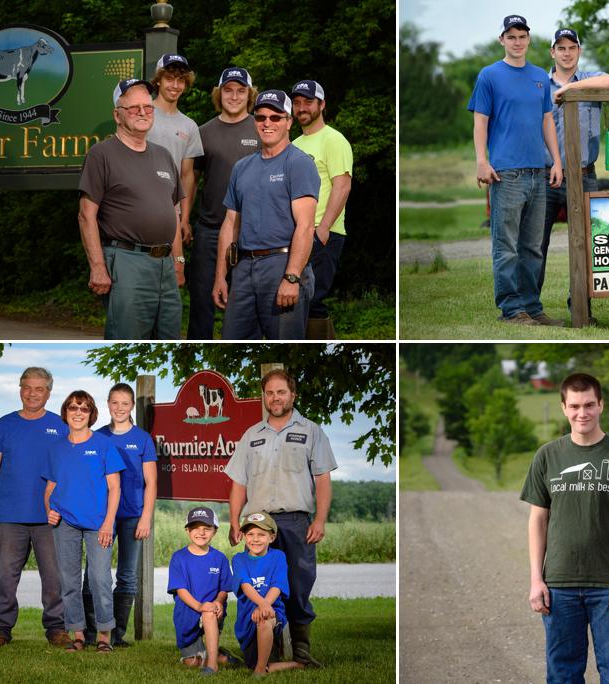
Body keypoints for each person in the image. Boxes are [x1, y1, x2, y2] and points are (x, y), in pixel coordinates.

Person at [520, 373, 609, 683]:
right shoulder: (547, 456)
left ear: (601, 405)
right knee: (562, 674)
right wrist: (535, 580)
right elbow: (537, 521)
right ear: (563, 408)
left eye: (589, 405)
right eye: (575, 406)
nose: (582, 413)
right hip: (558, 585)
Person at [225, 368, 337, 666]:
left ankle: (301, 648)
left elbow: (323, 479)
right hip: (257, 524)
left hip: (296, 521)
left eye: (281, 392)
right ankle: (267, 648)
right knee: (259, 586)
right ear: (264, 397)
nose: (275, 398)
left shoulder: (312, 431)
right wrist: (234, 521)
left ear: (293, 395)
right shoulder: (251, 436)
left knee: (299, 585)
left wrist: (320, 520)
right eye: (270, 393)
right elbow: (239, 483)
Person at [468, 15, 564, 326]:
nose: (518, 42)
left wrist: (557, 161)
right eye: (512, 37)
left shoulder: (539, 77)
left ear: (529, 40)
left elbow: (547, 121)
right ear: (502, 40)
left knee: (532, 247)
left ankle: (532, 307)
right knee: (506, 246)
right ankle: (511, 308)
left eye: (522, 36)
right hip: (506, 173)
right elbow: (480, 121)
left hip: (538, 171)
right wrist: (481, 160)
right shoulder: (489, 76)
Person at [78, 78, 185, 339]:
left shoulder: (163, 155)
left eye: (148, 108)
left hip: (165, 265)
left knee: (169, 340)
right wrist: (98, 267)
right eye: (133, 107)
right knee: (127, 336)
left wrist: (179, 261)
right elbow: (86, 215)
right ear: (117, 115)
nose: (142, 112)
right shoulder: (101, 154)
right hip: (127, 261)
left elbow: (173, 212)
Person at [0, 367, 70, 647]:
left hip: (50, 517)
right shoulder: (4, 425)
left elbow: (71, 468)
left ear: (49, 394)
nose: (32, 394)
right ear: (20, 390)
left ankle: (57, 630)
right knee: (6, 577)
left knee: (54, 579)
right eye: (27, 387)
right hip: (12, 516)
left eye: (39, 389)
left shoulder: (60, 426)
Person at [211, 90, 320, 339]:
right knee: (233, 340)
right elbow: (230, 224)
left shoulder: (299, 163)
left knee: (283, 344)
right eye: (260, 118)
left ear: (289, 121)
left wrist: (292, 278)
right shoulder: (242, 167)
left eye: (275, 117)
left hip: (282, 264)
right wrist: (220, 276)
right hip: (244, 267)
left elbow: (305, 227)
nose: (267, 123)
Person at [541, 28, 609, 323]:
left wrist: (570, 90)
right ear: (553, 52)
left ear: (579, 51)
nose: (567, 52)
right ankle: (531, 310)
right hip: (546, 176)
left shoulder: (589, 81)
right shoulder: (538, 84)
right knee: (537, 245)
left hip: (585, 174)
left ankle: (582, 309)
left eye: (572, 47)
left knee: (586, 244)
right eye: (561, 48)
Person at [42, 390, 124, 653]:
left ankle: (103, 636)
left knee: (100, 579)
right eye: (73, 408)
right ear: (65, 412)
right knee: (69, 581)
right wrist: (48, 510)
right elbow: (50, 488)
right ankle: (77, 634)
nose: (78, 413)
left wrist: (109, 523)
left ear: (91, 414)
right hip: (64, 523)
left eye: (84, 409)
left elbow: (115, 488)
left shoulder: (104, 445)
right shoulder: (56, 449)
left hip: (98, 523)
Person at [80, 383, 158, 646]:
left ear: (132, 406)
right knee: (95, 573)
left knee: (127, 575)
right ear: (108, 404)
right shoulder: (98, 437)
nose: (120, 408)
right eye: (115, 402)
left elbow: (152, 482)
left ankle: (117, 635)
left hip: (133, 515)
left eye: (125, 403)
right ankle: (92, 633)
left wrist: (147, 516)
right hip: (102, 517)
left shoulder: (143, 439)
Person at [187, 67, 259, 339]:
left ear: (249, 95)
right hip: (210, 228)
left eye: (241, 91)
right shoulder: (203, 132)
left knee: (245, 306)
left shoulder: (261, 127)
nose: (234, 96)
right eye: (228, 90)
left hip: (251, 232)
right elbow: (191, 179)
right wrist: (183, 219)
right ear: (219, 93)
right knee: (202, 305)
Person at [291, 79, 353, 340]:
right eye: (297, 103)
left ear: (322, 104)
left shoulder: (334, 140)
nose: (302, 108)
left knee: (313, 299)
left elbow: (342, 186)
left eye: (308, 102)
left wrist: (324, 229)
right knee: (297, 300)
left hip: (323, 233)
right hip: (297, 234)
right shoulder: (293, 144)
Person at [231, 511, 304, 675]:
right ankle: (293, 664)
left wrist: (265, 606)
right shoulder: (238, 559)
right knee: (252, 663)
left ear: (271, 537)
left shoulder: (278, 557)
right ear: (243, 536)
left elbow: (277, 585)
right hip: (248, 620)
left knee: (264, 619)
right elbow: (245, 584)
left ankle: (259, 671)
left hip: (272, 614)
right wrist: (261, 604)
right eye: (250, 534)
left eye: (261, 534)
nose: (255, 539)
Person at [167, 506, 234, 676]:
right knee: (192, 662)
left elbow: (224, 589)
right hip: (188, 611)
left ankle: (212, 664)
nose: (201, 532)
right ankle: (218, 654)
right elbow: (181, 590)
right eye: (195, 528)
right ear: (187, 530)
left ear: (215, 531)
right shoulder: (179, 558)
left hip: (211, 611)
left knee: (209, 612)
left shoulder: (220, 558)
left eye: (207, 528)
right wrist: (198, 606)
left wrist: (218, 602)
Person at [148, 54, 203, 252]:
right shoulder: (143, 115)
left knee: (173, 274)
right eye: (169, 79)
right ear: (158, 80)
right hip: (140, 206)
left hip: (172, 212)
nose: (175, 85)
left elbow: (187, 175)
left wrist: (184, 217)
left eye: (180, 80)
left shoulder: (189, 126)